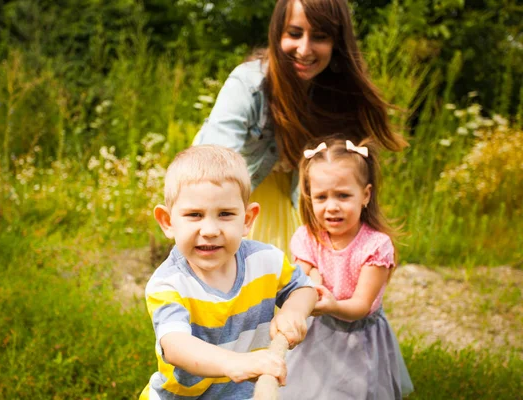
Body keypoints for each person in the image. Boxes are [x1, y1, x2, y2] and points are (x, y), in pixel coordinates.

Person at [193, 0, 408, 257]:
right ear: (277, 33)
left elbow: (348, 182)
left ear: (336, 42)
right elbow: (212, 167)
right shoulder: (248, 85)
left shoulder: (339, 92)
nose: (304, 49)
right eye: (294, 34)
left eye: (319, 37)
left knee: (305, 285)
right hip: (243, 199)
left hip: (303, 203)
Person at [139, 144, 317, 399]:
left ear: (246, 219)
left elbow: (303, 287)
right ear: (168, 222)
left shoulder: (266, 261)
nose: (210, 229)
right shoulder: (168, 284)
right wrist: (238, 363)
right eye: (194, 215)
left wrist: (293, 312)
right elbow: (176, 346)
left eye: (225, 214)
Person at [279, 138, 414, 399]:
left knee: (352, 392)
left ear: (365, 195)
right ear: (309, 198)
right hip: (319, 332)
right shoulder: (308, 237)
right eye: (321, 197)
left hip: (358, 338)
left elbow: (361, 305)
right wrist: (312, 279)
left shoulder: (375, 246)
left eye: (343, 195)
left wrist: (331, 305)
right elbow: (297, 277)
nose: (332, 206)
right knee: (310, 388)